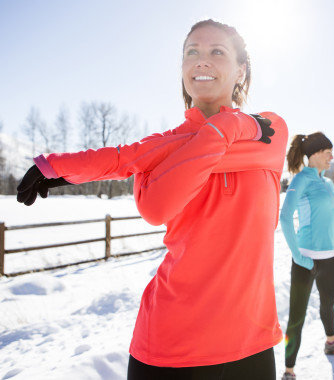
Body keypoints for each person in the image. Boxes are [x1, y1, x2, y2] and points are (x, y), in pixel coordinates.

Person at [17, 19, 288, 380]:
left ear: (241, 71)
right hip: (169, 347)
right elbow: (154, 202)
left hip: (251, 344)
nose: (201, 60)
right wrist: (56, 166)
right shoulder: (168, 144)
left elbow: (130, 160)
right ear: (181, 69)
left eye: (216, 52)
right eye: (192, 52)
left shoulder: (269, 131)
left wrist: (226, 127)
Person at [279, 132, 334, 380]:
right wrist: (298, 256)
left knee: (327, 306)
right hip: (306, 261)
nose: (331, 157)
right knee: (297, 318)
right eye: (327, 153)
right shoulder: (301, 180)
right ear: (313, 155)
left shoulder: (329, 183)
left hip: (331, 259)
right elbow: (284, 217)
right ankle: (289, 370)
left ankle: (331, 342)